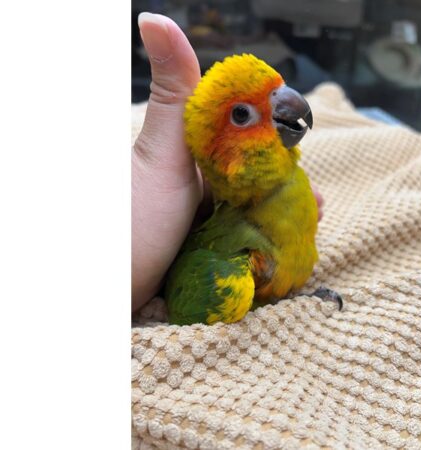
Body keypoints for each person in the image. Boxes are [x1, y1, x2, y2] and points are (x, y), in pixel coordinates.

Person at [132, 13, 324, 312]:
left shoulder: (295, 184)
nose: (287, 100)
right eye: (242, 115)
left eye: (279, 88)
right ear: (221, 157)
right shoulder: (230, 271)